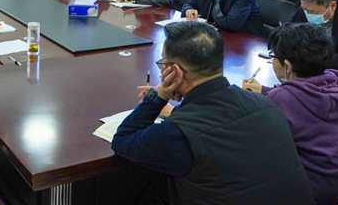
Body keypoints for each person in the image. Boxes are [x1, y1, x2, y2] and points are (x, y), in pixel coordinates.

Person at [112, 22, 314, 205]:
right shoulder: (265, 104)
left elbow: (122, 140)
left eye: (163, 64)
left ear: (175, 72)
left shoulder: (177, 133)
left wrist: (160, 93)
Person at [242, 23, 338, 205]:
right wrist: (265, 90)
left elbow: (256, 148)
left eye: (273, 57)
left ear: (287, 66)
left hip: (311, 192)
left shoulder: (282, 98)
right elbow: (306, 94)